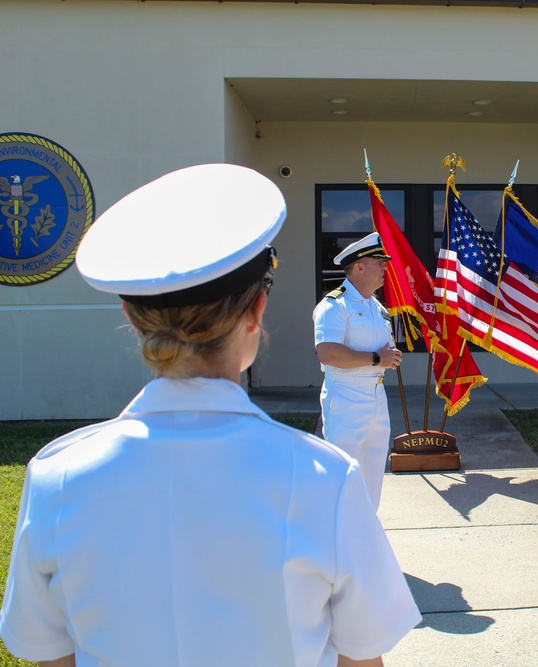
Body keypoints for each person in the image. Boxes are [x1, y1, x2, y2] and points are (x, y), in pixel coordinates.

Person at [0, 164, 421, 667]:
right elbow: (360, 656)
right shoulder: (325, 480)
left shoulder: (56, 480)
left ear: (131, 316)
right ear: (257, 309)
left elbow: (51, 656)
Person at [313, 232, 402, 511]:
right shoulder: (334, 305)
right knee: (342, 473)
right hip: (346, 395)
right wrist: (377, 358)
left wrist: (385, 357)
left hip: (376, 394)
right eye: (379, 262)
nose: (385, 268)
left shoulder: (375, 306)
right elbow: (328, 353)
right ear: (360, 267)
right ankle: (333, 540)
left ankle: (365, 538)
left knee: (373, 475)